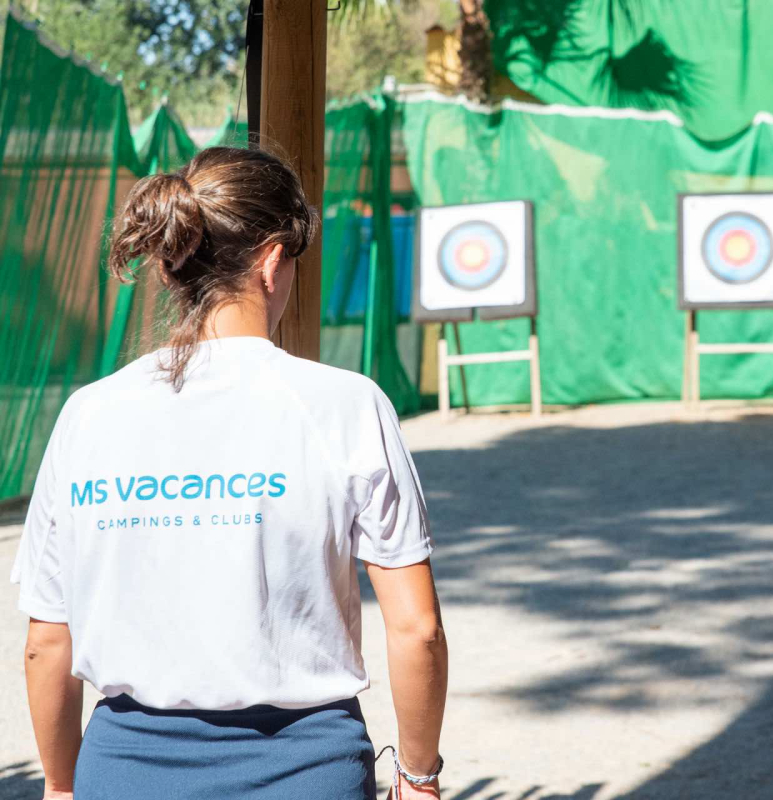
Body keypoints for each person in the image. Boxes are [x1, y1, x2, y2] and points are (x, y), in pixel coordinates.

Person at [12, 147, 447, 800]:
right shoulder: (347, 405)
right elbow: (417, 629)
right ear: (273, 261)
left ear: (167, 259)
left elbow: (48, 641)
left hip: (124, 769)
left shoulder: (87, 416)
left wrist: (61, 786)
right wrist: (419, 777)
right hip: (306, 772)